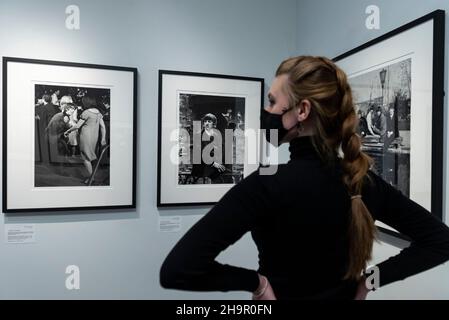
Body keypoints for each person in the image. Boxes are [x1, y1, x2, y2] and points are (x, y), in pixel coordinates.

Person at [160, 56, 449, 300]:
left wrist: (256, 283)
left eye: (273, 102)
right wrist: (368, 281)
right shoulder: (362, 181)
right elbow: (440, 241)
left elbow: (179, 269)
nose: (268, 112)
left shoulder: (265, 185)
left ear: (302, 110)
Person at [64, 96, 107, 184]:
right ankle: (92, 177)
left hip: (85, 137)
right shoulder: (98, 113)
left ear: (86, 103)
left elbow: (77, 126)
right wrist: (103, 138)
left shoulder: (86, 112)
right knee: (90, 157)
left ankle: (91, 179)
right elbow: (103, 127)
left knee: (85, 158)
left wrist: (67, 131)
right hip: (94, 137)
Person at [190, 113, 226, 183]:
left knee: (224, 172)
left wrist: (218, 162)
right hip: (201, 166)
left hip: (214, 165)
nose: (206, 123)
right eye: (205, 121)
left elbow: (220, 151)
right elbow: (200, 153)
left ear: (214, 124)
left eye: (209, 121)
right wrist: (213, 163)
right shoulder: (198, 135)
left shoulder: (217, 135)